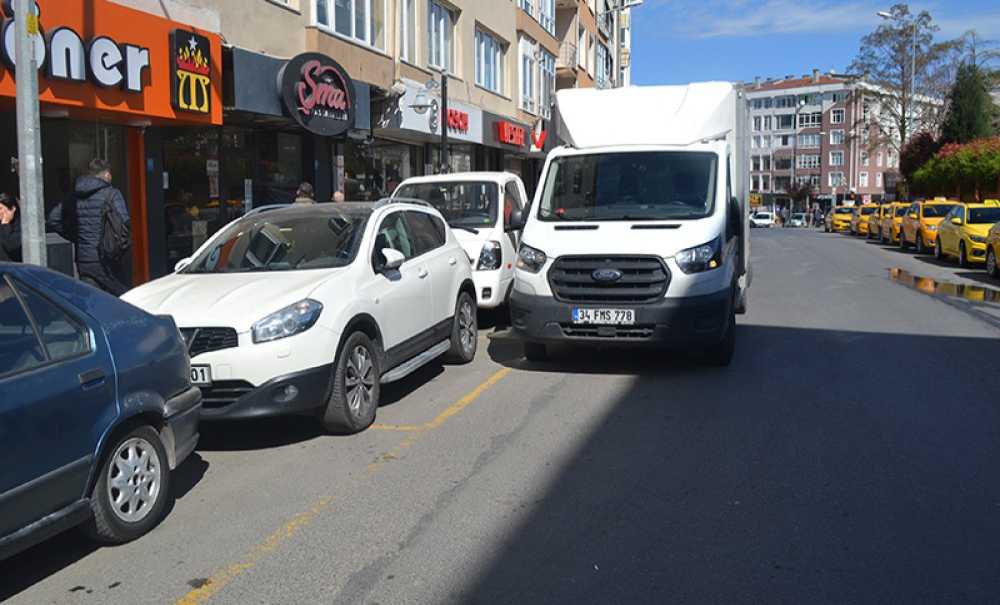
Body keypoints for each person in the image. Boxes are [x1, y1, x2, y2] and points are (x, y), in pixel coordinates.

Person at [48, 158, 132, 295]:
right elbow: (125, 223)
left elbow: (53, 219)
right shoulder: (111, 193)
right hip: (106, 259)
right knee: (124, 299)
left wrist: (77, 236)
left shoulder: (75, 194)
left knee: (91, 301)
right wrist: (119, 248)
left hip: (84, 260)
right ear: (106, 175)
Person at [0, 193, 21, 262]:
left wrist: (5, 223)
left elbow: (10, 245)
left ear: (12, 209)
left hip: (12, 269)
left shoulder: (20, 226)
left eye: (0, 208)